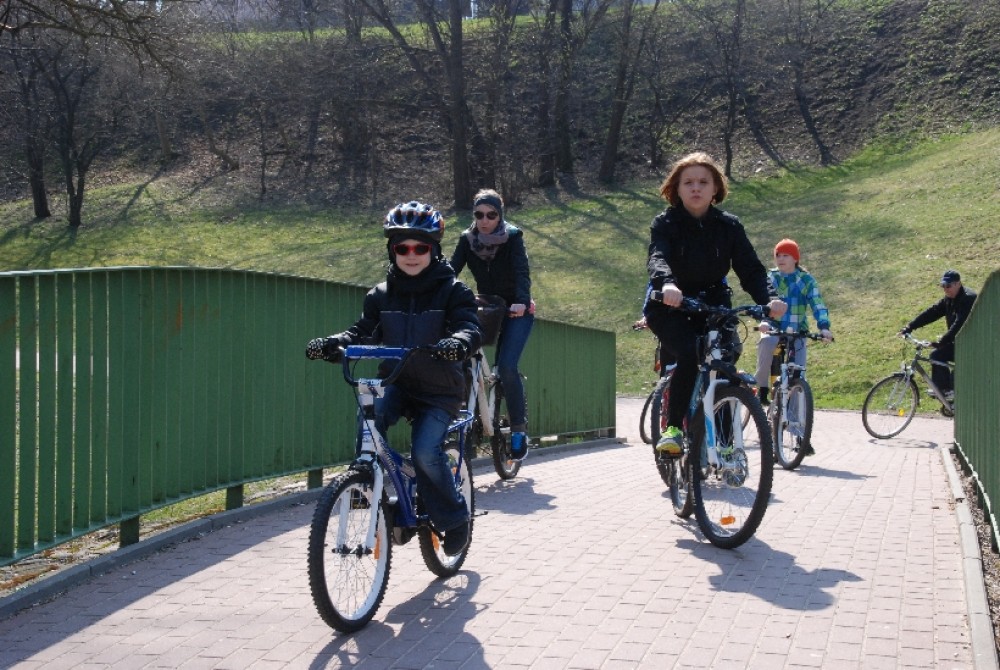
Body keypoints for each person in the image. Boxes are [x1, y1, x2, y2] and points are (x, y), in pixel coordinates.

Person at [306, 201, 482, 556]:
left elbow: (469, 328)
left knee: (425, 451)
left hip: (440, 391)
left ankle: (454, 519)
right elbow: (362, 331)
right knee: (369, 420)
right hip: (397, 382)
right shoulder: (380, 295)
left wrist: (458, 343)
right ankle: (367, 485)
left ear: (434, 250)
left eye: (420, 248)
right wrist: (335, 343)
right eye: (403, 248)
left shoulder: (454, 291)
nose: (411, 255)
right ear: (392, 250)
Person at [645, 152, 787, 455]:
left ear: (715, 189)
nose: (696, 188)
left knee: (724, 367)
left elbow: (751, 270)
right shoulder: (665, 223)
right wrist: (667, 284)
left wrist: (770, 299)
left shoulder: (729, 226)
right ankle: (673, 430)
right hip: (670, 304)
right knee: (688, 353)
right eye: (688, 182)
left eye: (703, 182)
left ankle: (725, 445)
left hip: (713, 304)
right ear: (677, 189)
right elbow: (658, 257)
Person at [450, 189, 534, 460]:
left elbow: (521, 272)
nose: (484, 220)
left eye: (491, 215)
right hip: (487, 308)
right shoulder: (467, 240)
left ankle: (519, 430)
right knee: (461, 357)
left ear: (500, 215)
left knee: (507, 367)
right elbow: (451, 271)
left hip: (515, 310)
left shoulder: (513, 237)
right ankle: (466, 416)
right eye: (479, 214)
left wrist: (521, 301)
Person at [754, 238, 833, 406]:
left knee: (798, 372)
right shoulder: (771, 277)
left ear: (795, 259)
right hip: (773, 327)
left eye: (786, 255)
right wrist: (764, 321)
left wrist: (824, 327)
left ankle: (795, 418)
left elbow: (818, 304)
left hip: (797, 330)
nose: (780, 259)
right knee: (766, 343)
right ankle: (761, 388)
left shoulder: (806, 280)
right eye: (778, 255)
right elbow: (763, 302)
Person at [899, 269, 977, 401]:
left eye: (948, 286)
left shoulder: (968, 299)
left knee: (957, 365)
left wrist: (942, 342)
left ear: (958, 284)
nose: (945, 289)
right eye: (943, 286)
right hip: (960, 343)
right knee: (936, 356)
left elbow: (959, 324)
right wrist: (910, 326)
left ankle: (954, 393)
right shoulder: (949, 299)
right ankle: (944, 392)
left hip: (975, 345)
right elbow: (932, 312)